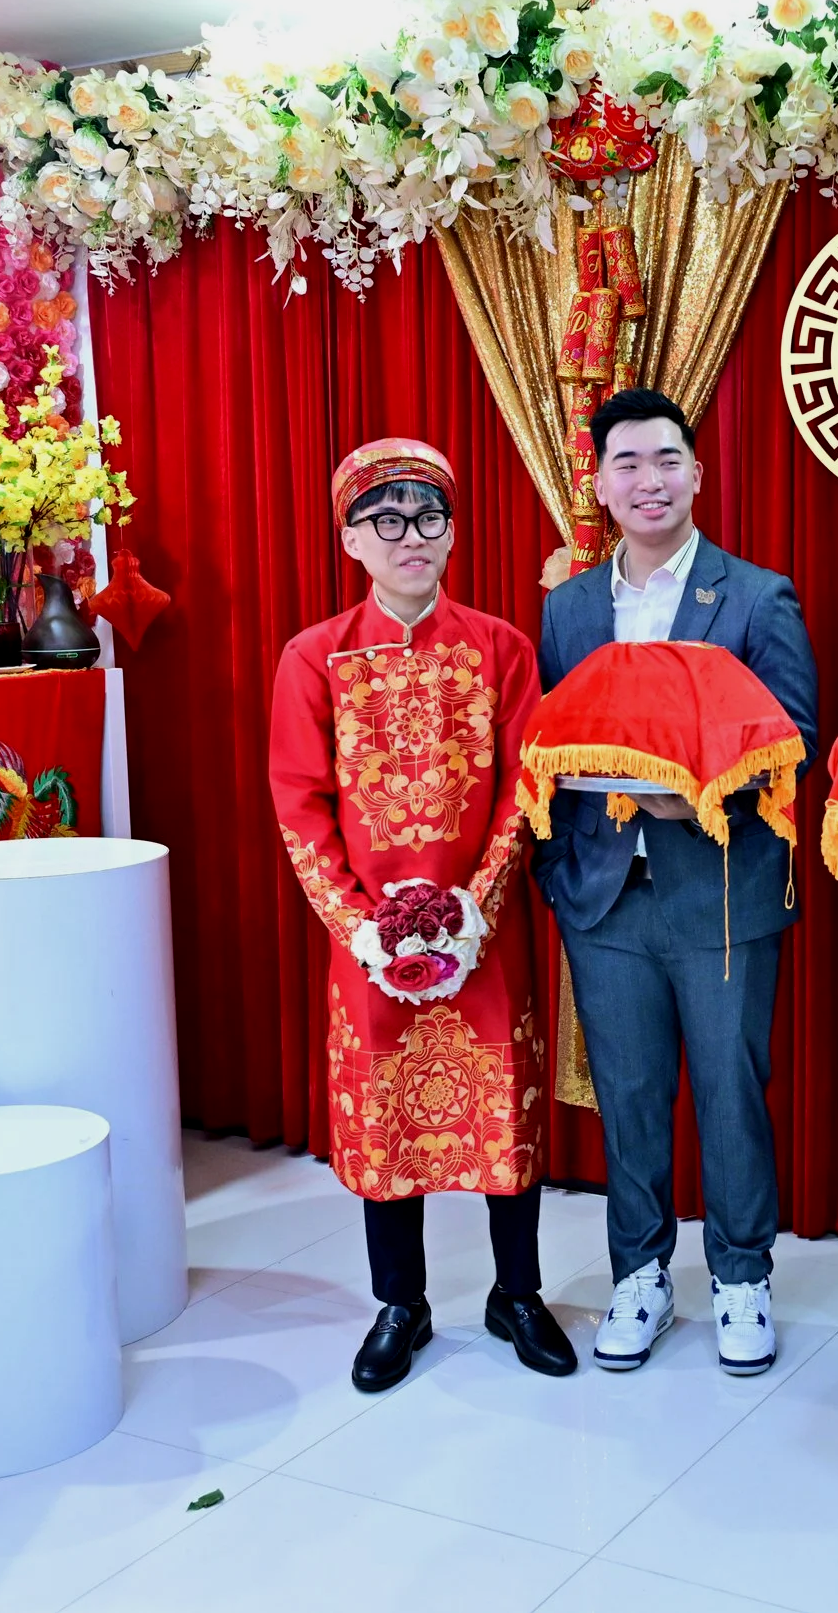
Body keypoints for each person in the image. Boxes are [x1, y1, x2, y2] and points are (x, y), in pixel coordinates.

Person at [269, 437, 576, 1392]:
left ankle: (515, 1293)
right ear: (351, 540)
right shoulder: (313, 658)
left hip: (485, 936)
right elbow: (298, 800)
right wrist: (360, 924)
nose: (411, 537)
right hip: (367, 944)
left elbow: (527, 787)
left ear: (452, 532)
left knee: (502, 1111)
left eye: (428, 517)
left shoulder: (499, 648)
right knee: (384, 1112)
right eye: (386, 521)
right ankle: (400, 1301)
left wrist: (475, 907)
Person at [532, 388, 818, 1376]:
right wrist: (558, 865)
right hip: (604, 896)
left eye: (666, 460)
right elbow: (549, 744)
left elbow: (795, 739)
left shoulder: (753, 595)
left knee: (732, 1092)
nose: (648, 480)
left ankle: (742, 1277)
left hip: (722, 891)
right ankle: (640, 1274)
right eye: (627, 464)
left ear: (697, 472)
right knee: (631, 1092)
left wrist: (692, 793)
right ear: (601, 483)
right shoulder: (569, 607)